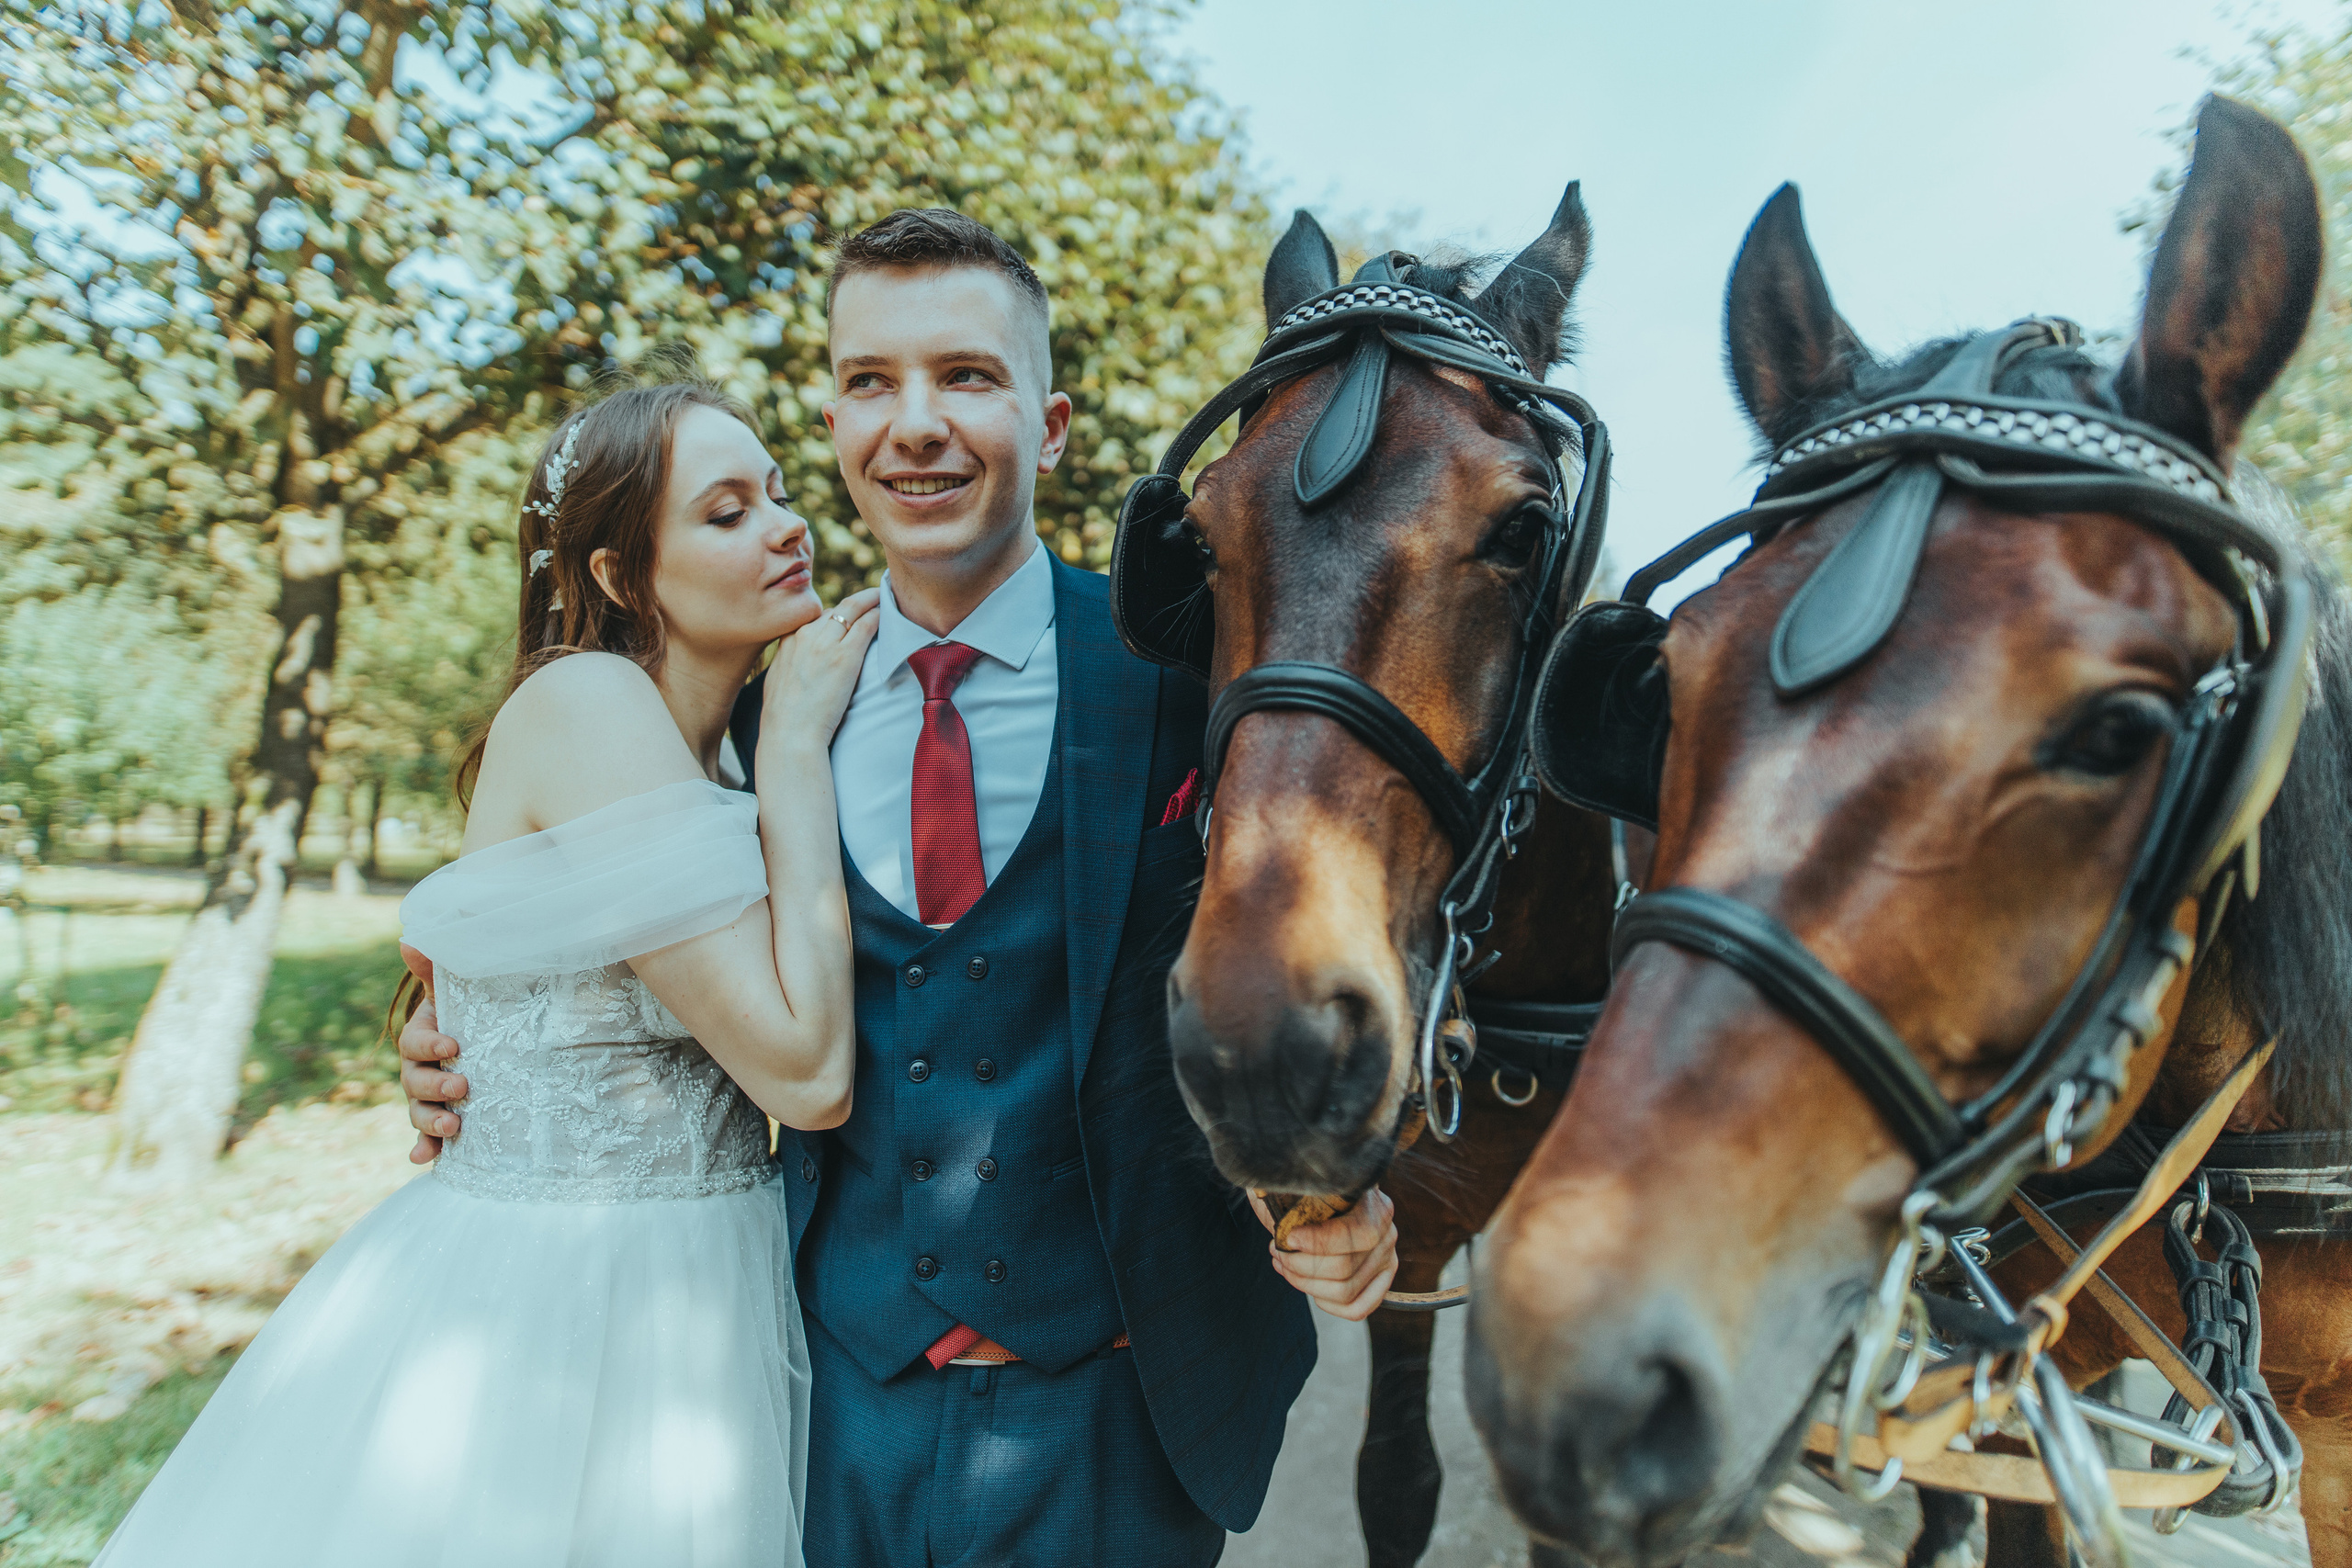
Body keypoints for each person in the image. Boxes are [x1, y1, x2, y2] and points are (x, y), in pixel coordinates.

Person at [397, 208, 1401, 1565]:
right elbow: (586, 936)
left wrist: (1352, 1188)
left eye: (967, 377)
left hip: (1118, 1427)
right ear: (834, 422)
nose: (913, 423)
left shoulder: (1191, 684)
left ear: (1048, 428)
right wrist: (459, 1049)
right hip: (811, 1417)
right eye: (871, 381)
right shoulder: (731, 731)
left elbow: (1357, 936)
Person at [97, 365, 880, 1567]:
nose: (787, 526)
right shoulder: (591, 703)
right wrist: (795, 760)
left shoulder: (703, 753)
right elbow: (807, 1076)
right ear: (620, 574)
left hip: (705, 1290)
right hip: (562, 1308)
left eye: (778, 492)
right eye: (727, 512)